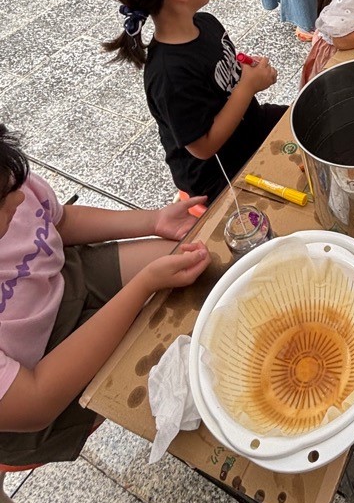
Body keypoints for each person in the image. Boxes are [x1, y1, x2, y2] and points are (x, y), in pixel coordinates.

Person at [0, 124, 210, 464]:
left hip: (60, 281)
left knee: (194, 261)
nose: (19, 197)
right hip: (35, 392)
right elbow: (36, 401)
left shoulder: (11, 184)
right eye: (4, 200)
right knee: (167, 365)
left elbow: (60, 222)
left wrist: (153, 221)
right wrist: (142, 286)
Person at [98, 0, 286, 202]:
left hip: (248, 126)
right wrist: (248, 85)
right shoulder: (169, 74)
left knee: (309, 117)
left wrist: (246, 69)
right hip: (217, 170)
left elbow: (222, 76)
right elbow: (203, 147)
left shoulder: (206, 22)